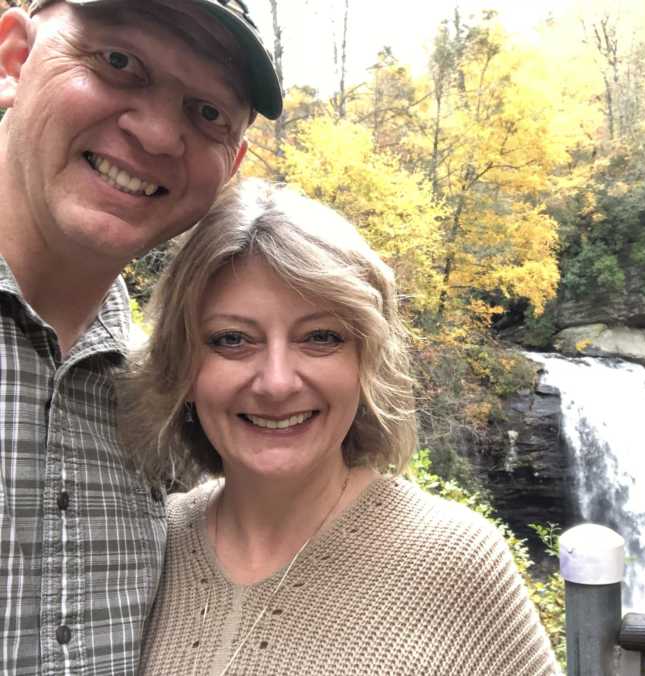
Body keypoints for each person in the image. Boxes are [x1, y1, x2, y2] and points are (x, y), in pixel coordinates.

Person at [123, 179, 562, 675]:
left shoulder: (455, 560)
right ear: (182, 366)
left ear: (366, 361)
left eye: (321, 337)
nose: (276, 382)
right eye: (231, 339)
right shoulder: (146, 543)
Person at [0, 0, 282, 672]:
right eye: (119, 63)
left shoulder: (179, 400)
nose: (158, 135)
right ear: (13, 55)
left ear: (231, 162)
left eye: (207, 112)